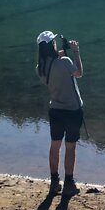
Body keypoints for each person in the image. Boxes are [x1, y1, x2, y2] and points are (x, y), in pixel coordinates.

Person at [36, 30, 84, 195]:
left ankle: (54, 180)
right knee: (70, 147)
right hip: (72, 110)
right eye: (54, 42)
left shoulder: (41, 68)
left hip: (55, 110)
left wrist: (62, 54)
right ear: (51, 45)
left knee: (54, 146)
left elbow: (55, 64)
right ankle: (69, 182)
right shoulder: (65, 61)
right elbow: (78, 73)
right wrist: (75, 52)